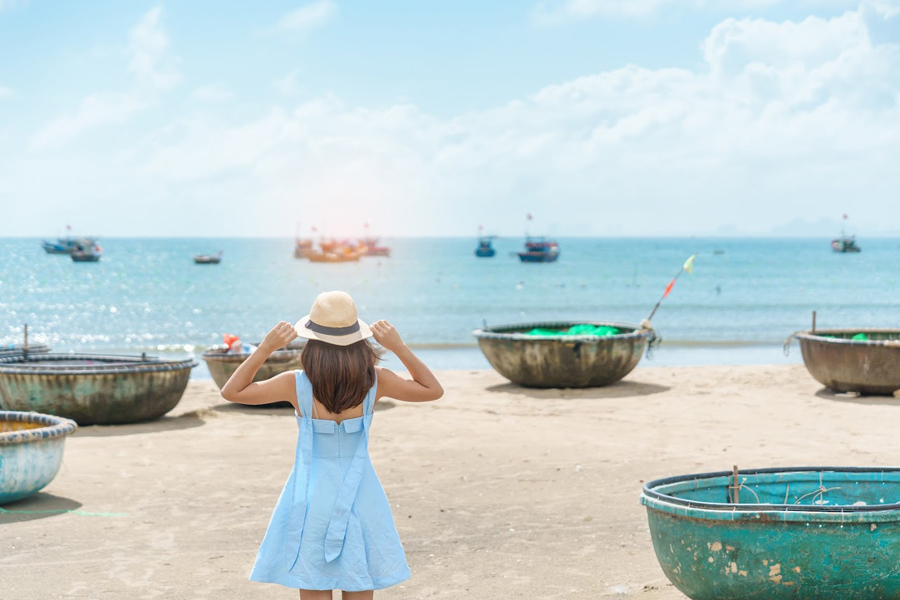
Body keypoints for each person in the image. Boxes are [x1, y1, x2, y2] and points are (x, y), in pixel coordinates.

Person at [221, 291, 443, 599]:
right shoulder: (376, 380)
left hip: (311, 496)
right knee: (359, 582)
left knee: (314, 585)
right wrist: (397, 346)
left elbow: (232, 392)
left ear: (312, 342)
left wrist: (266, 348)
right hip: (361, 494)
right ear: (359, 339)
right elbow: (433, 390)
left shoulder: (295, 383)